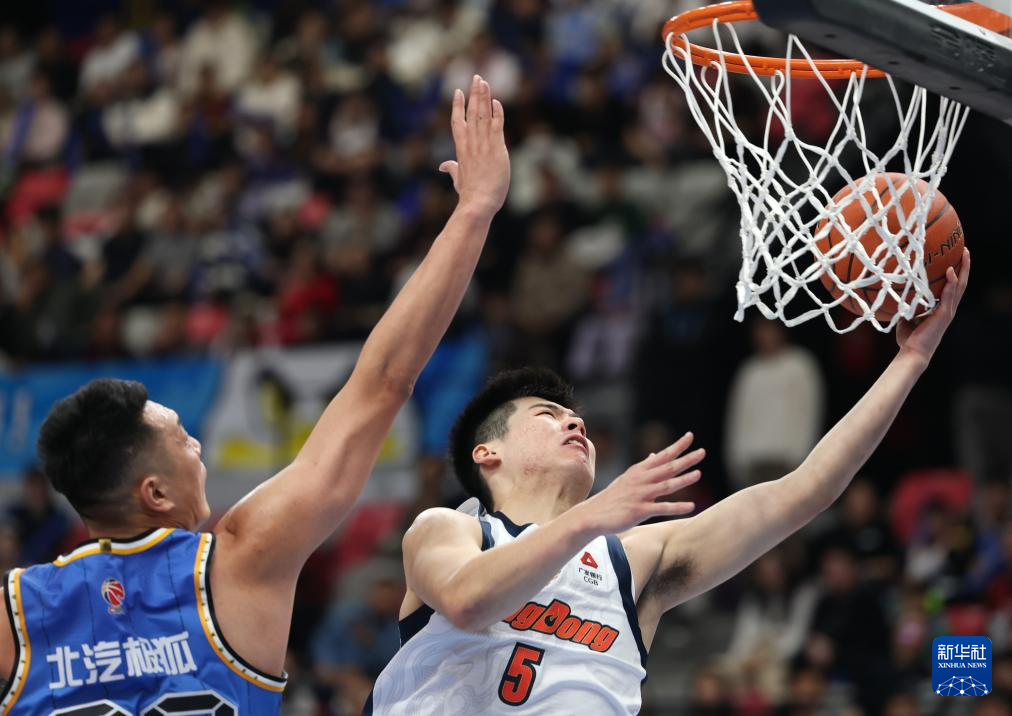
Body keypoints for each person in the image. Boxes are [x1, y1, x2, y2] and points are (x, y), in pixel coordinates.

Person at [0, 75, 510, 713]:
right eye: (181, 440)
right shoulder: (240, 563)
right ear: (155, 493)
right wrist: (473, 212)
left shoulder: (18, 610)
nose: (197, 447)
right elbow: (381, 383)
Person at [367, 249, 971, 714]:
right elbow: (469, 602)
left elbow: (806, 489)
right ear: (488, 454)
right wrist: (591, 517)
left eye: (576, 418)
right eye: (547, 415)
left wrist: (911, 361)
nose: (574, 422)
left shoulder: (635, 560)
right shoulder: (449, 530)